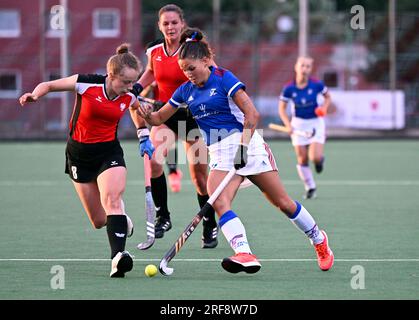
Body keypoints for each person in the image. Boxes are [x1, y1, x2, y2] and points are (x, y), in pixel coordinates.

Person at [137, 29, 334, 274]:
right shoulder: (185, 91)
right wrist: (147, 114)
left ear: (206, 61)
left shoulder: (223, 78)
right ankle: (244, 252)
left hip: (247, 144)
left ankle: (318, 240)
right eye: (183, 69)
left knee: (282, 203)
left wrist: (242, 147)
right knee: (219, 201)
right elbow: (160, 117)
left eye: (191, 68)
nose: (188, 74)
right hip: (218, 152)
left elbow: (252, 114)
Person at [18, 44, 153, 278]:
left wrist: (143, 135)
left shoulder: (129, 94)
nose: (131, 88)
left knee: (112, 198)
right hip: (79, 155)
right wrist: (35, 95)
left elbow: (135, 109)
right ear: (111, 76)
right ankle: (121, 220)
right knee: (99, 220)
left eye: (133, 83)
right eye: (126, 82)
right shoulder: (87, 83)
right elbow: (49, 85)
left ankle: (117, 258)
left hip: (109, 153)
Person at [131, 4, 219, 248]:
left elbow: (212, 72)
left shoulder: (193, 48)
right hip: (166, 113)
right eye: (165, 23)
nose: (170, 27)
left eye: (174, 23)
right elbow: (150, 71)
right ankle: (163, 216)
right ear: (160, 26)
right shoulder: (154, 50)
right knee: (155, 159)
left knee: (200, 179)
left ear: (182, 24)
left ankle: (209, 224)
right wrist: (137, 87)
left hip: (194, 118)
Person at [278, 56, 331, 199]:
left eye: (308, 66)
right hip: (298, 124)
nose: (305, 69)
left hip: (315, 123)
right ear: (296, 67)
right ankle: (310, 187)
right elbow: (282, 109)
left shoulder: (317, 85)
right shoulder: (289, 88)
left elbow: (328, 97)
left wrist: (324, 108)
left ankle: (320, 161)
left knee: (315, 157)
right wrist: (288, 125)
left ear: (311, 69)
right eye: (302, 65)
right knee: (302, 159)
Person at [140, 81, 181, 191]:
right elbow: (141, 95)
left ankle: (173, 172)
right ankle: (173, 172)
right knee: (165, 146)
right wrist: (151, 85)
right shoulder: (156, 74)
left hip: (183, 113)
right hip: (161, 114)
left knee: (170, 143)